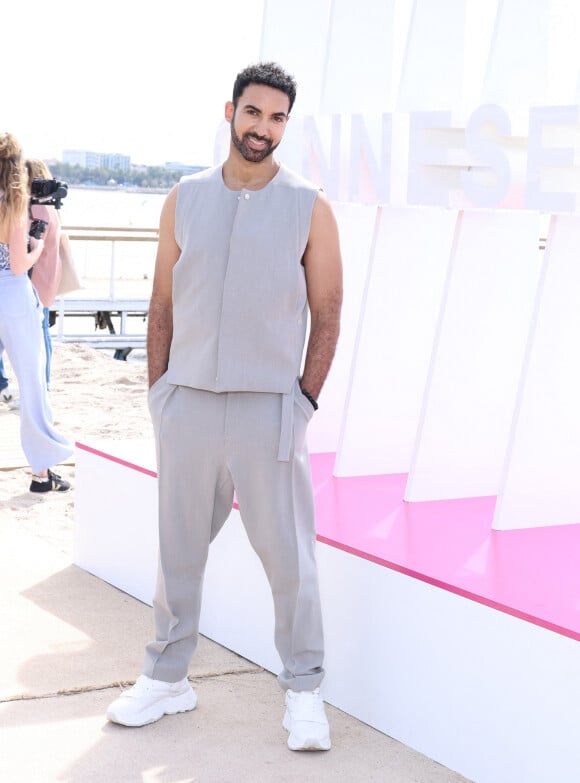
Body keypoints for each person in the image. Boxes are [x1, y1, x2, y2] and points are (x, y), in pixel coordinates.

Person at [106, 62, 343, 750]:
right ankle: (167, 677)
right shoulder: (183, 198)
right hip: (188, 405)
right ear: (230, 111)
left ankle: (304, 691)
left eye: (277, 119)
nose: (263, 129)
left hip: (270, 408)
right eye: (254, 113)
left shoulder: (309, 206)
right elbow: (161, 306)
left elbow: (327, 311)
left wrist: (302, 401)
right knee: (177, 550)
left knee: (290, 559)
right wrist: (161, 394)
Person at [0, 132, 72, 491]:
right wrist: (39, 244)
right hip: (12, 298)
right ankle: (42, 473)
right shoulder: (11, 204)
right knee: (31, 385)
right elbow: (17, 265)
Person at [26, 159, 62, 390]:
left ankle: (43, 384)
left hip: (35, 278)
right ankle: (44, 383)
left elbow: (28, 243)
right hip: (48, 276)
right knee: (43, 334)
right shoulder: (50, 207)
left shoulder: (36, 208)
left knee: (38, 336)